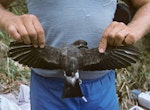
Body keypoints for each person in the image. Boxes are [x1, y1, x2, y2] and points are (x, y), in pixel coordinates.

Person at [0, 0, 150, 110]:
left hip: (101, 86)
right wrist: (9, 20)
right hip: (48, 89)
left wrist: (134, 29)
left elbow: (146, 4)